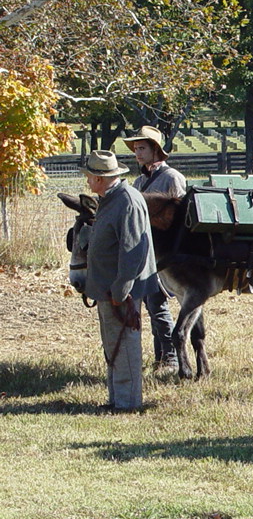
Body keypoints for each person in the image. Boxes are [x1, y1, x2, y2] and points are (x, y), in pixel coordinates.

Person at [82, 150, 161, 412]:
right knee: (113, 346)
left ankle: (128, 404)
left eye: (90, 177)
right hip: (107, 288)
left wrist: (121, 290)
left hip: (120, 291)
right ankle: (117, 400)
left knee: (124, 346)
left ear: (101, 179)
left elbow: (133, 252)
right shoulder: (111, 198)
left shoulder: (126, 201)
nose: (87, 182)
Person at [123, 125, 186, 373]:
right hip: (144, 252)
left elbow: (178, 220)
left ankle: (170, 358)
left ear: (155, 150)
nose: (137, 153)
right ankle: (161, 356)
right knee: (150, 305)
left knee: (158, 305)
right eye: (136, 149)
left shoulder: (172, 178)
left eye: (142, 148)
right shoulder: (139, 181)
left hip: (165, 254)